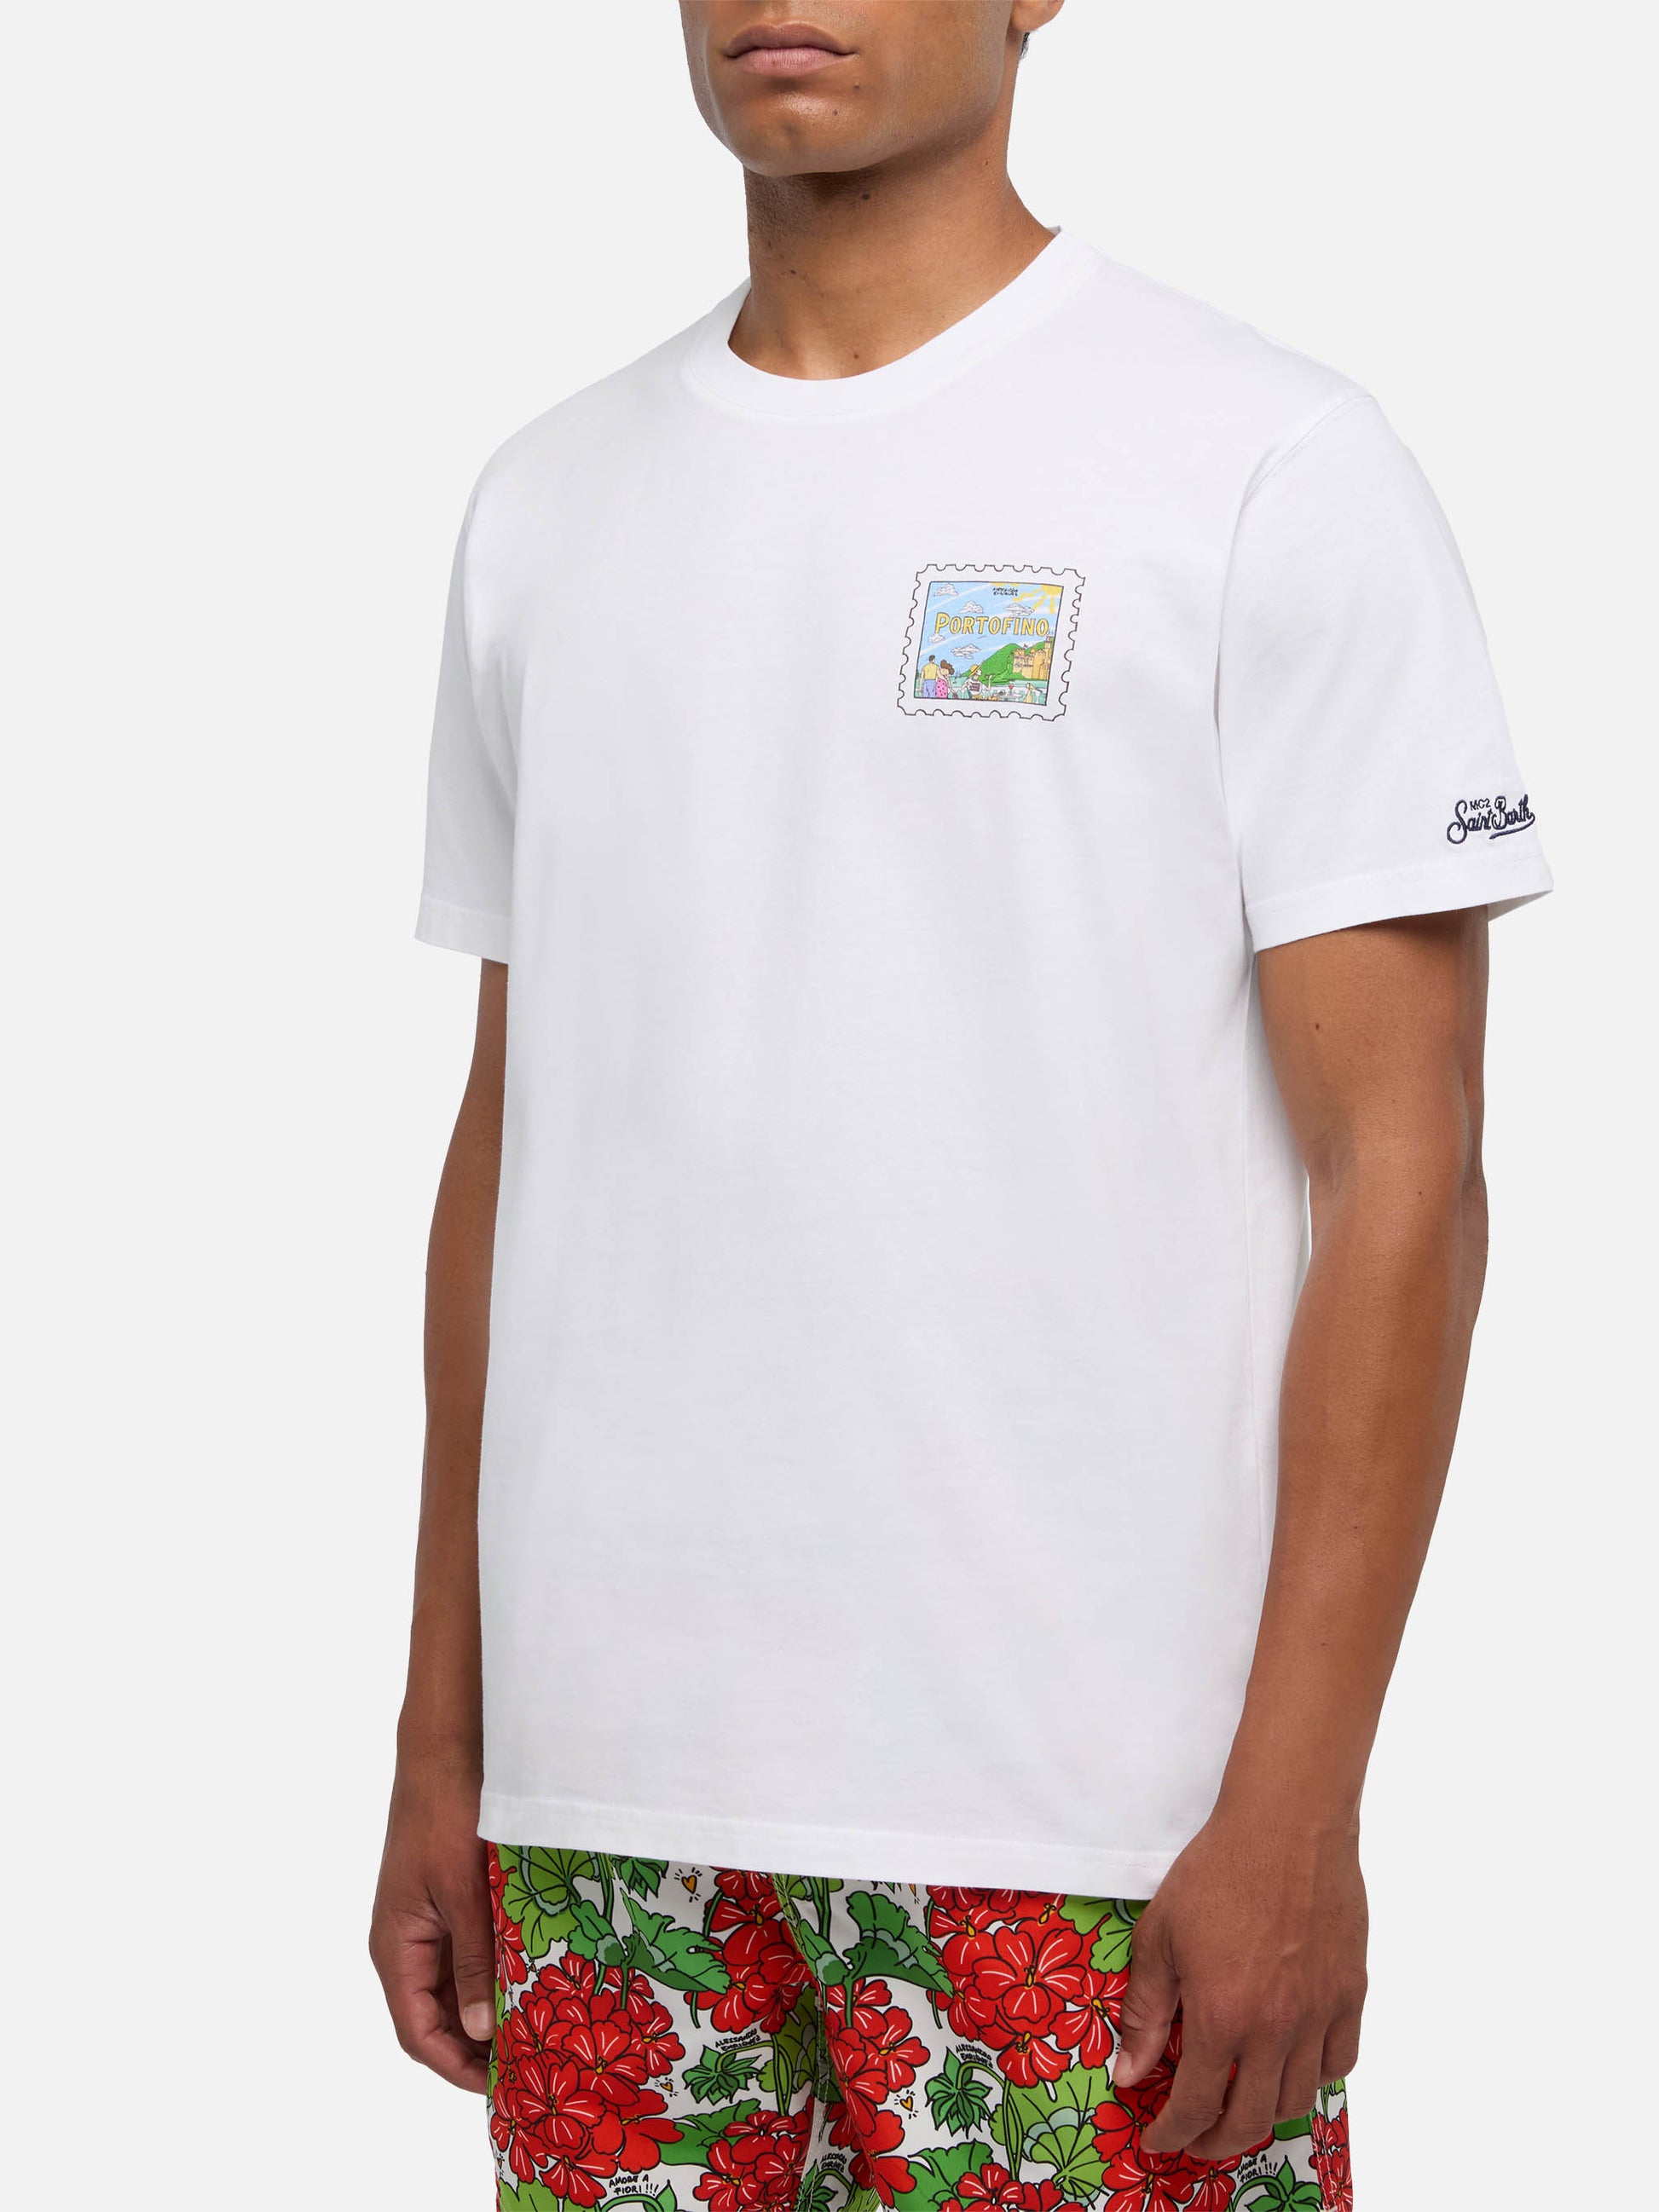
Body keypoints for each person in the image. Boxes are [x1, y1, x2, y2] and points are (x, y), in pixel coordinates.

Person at [371, 7, 1550, 2207]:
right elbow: (515, 1142)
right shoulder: (546, 506)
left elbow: (1406, 1175)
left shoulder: (1264, 461)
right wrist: (446, 1738)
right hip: (605, 1831)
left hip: (1095, 1840)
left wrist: (1298, 1804)